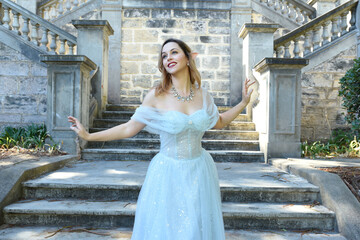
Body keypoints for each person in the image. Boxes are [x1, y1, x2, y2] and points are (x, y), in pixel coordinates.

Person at [68, 38, 254, 240]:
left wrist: (244, 102)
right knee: (169, 229)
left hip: (200, 172)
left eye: (174, 52)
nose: (168, 58)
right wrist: (88, 135)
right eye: (164, 56)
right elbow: (130, 128)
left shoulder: (203, 95)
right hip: (168, 173)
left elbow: (219, 121)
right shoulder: (156, 95)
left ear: (188, 58)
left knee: (196, 227)